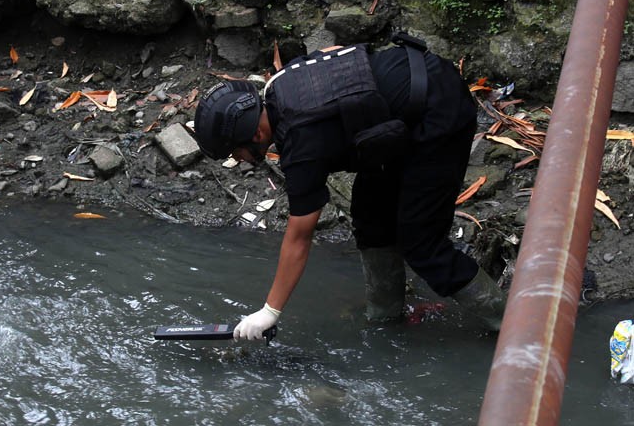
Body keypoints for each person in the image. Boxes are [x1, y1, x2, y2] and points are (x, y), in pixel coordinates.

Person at [193, 33, 506, 341]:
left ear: (256, 135)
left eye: (236, 152)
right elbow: (336, 51)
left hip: (439, 111)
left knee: (422, 243)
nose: (239, 159)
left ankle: (509, 323)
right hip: (402, 111)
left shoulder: (301, 144)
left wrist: (269, 312)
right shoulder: (279, 85)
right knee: (370, 215)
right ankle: (385, 318)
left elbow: (299, 238)